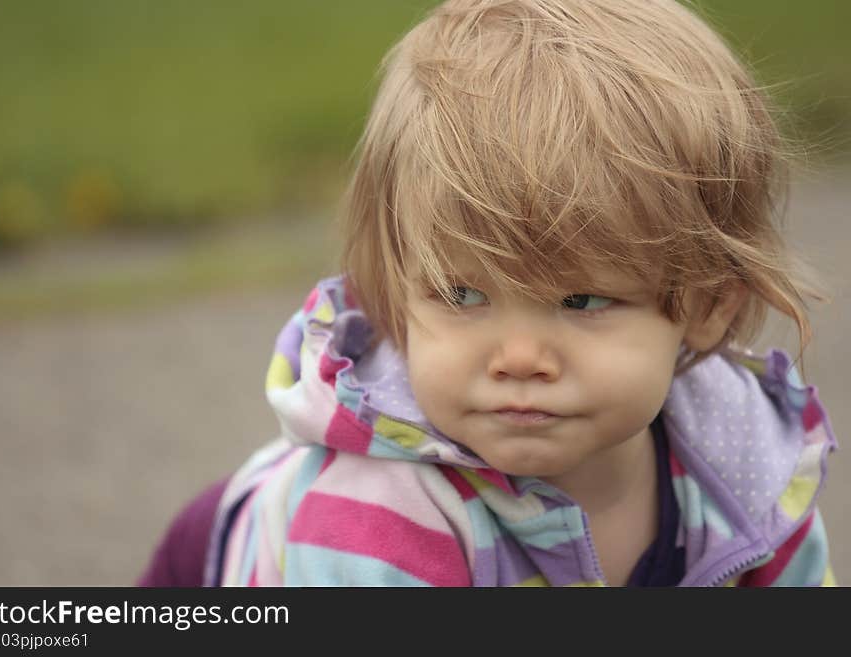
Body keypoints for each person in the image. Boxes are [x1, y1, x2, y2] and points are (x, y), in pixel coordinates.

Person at [139, 0, 837, 587]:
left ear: (708, 307)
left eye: (582, 302)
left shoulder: (744, 461)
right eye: (464, 293)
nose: (520, 356)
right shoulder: (378, 514)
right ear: (394, 285)